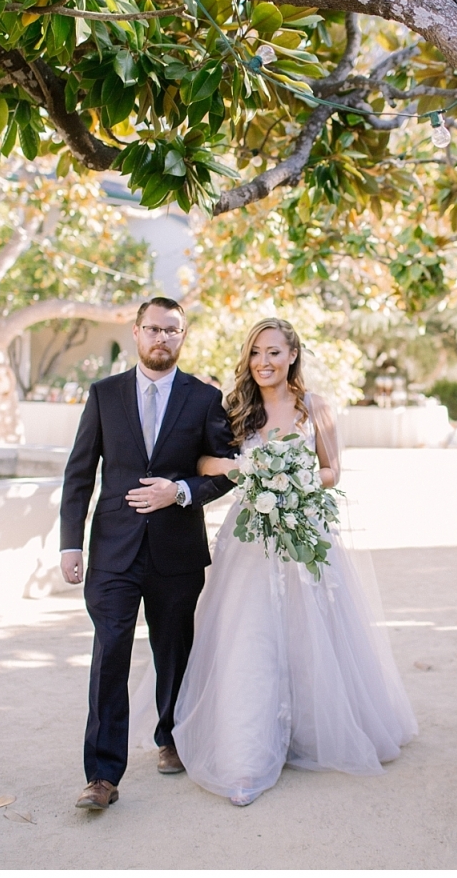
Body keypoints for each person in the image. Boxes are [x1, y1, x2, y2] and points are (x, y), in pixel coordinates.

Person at [171, 318, 418, 806]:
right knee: (250, 635)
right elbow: (203, 463)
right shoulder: (236, 409)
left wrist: (293, 478)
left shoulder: (315, 407)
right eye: (257, 353)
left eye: (274, 353)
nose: (264, 362)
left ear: (292, 356)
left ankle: (311, 731)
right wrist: (251, 467)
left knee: (314, 632)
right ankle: (246, 750)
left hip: (303, 529)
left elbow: (332, 471)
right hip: (250, 538)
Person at [59, 297, 236, 811]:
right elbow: (79, 473)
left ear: (184, 336)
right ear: (136, 333)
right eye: (153, 329)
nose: (162, 338)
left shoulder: (205, 399)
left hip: (176, 552)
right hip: (113, 551)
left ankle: (170, 738)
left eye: (172, 331)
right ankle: (102, 776)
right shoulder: (104, 394)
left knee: (173, 651)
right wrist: (71, 542)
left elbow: (223, 471)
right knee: (110, 652)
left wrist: (178, 491)